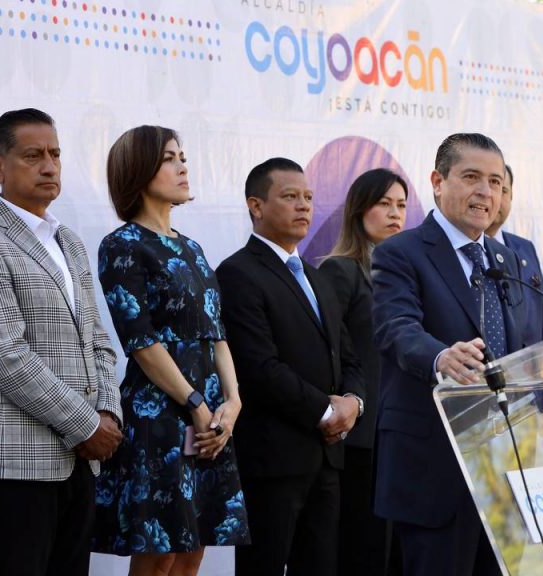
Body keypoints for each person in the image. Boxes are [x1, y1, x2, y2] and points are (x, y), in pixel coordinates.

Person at [0, 108, 122, 576]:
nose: (49, 166)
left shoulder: (68, 240)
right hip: (20, 457)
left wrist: (108, 413)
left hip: (83, 456)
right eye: (33, 156)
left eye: (55, 154)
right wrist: (86, 425)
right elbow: (3, 355)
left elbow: (98, 340)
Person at [93, 125, 250, 574]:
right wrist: (195, 403)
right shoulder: (121, 245)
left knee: (194, 546)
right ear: (138, 169)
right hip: (158, 412)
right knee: (160, 550)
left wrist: (233, 402)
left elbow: (216, 334)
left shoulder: (193, 248)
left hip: (211, 415)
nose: (182, 166)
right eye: (169, 158)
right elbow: (142, 342)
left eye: (183, 157)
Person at [371, 133, 525, 576]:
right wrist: (440, 357)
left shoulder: (506, 259)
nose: (486, 192)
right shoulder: (400, 251)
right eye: (472, 177)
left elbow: (520, 345)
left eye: (495, 182)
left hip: (504, 462)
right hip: (434, 463)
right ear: (438, 182)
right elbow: (395, 328)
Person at [217, 157, 364, 576]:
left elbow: (349, 357)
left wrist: (354, 402)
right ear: (256, 206)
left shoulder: (318, 278)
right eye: (290, 197)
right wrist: (326, 412)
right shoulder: (237, 273)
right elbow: (258, 368)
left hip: (327, 459)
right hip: (273, 459)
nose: (303, 206)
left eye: (309, 198)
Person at [320, 168, 408, 576]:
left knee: (399, 551)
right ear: (359, 210)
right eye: (384, 203)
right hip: (360, 435)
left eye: (401, 205)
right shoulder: (340, 271)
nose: (395, 213)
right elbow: (329, 351)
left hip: (403, 430)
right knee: (362, 547)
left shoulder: (407, 275)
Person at [486, 164, 543, 345]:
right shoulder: (462, 250)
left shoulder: (525, 247)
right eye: (491, 189)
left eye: (503, 190)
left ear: (511, 196)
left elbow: (542, 317)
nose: (495, 198)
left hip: (532, 359)